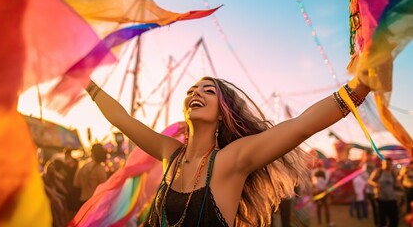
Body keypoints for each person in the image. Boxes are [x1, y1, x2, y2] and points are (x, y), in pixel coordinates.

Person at [84, 75, 369, 226]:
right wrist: (85, 81)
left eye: (208, 91)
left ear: (222, 113)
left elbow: (302, 126)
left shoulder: (232, 160)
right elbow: (121, 119)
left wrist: (359, 89)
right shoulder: (169, 152)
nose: (196, 93)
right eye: (192, 90)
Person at [368, 157, 400, 227]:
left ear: (391, 164)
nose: (387, 165)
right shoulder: (378, 171)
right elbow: (370, 181)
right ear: (382, 163)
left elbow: (397, 185)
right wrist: (376, 184)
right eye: (385, 163)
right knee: (381, 220)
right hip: (380, 199)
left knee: (394, 219)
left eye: (389, 164)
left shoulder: (393, 173)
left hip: (391, 199)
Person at [311, 160, 334, 226]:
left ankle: (322, 221)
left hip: (320, 191)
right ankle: (326, 222)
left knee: (321, 206)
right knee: (324, 207)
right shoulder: (327, 172)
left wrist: (314, 191)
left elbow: (313, 184)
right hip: (323, 191)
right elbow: (327, 182)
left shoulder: (314, 172)